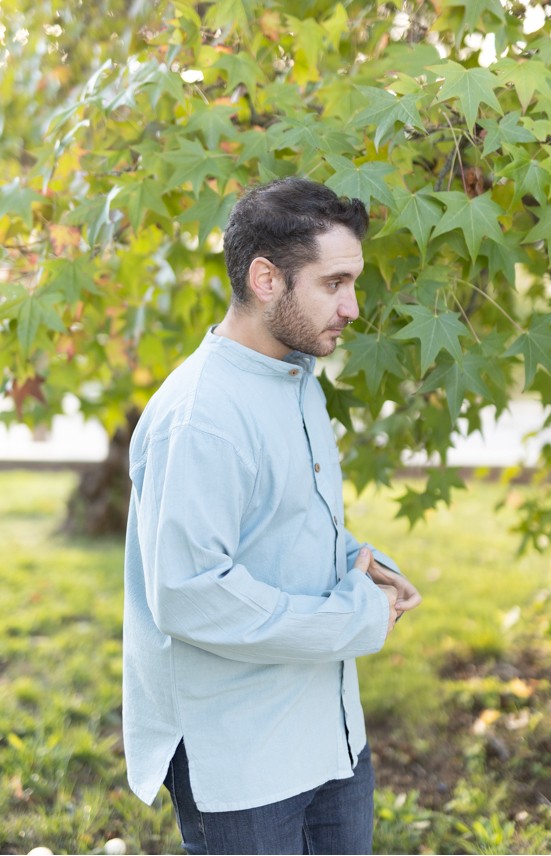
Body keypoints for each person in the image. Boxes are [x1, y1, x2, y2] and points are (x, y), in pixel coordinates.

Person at [122, 177, 422, 855]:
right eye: (335, 283)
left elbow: (284, 525)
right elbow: (191, 595)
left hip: (332, 733)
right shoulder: (203, 416)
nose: (353, 306)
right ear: (266, 278)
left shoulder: (295, 377)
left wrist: (364, 568)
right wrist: (357, 618)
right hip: (244, 762)